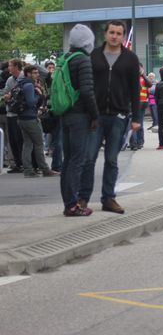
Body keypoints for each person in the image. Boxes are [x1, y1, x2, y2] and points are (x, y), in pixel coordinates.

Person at [80, 20, 140, 215]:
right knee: (88, 159)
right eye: (112, 32)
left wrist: (136, 118)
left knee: (112, 160)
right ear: (105, 34)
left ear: (123, 36)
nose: (115, 36)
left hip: (118, 116)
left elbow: (135, 90)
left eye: (119, 33)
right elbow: (86, 85)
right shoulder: (93, 56)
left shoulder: (130, 58)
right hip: (95, 116)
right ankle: (83, 198)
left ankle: (108, 198)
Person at [60, 24, 99, 216]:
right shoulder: (83, 60)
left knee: (68, 160)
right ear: (87, 42)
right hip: (79, 116)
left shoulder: (65, 59)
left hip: (65, 114)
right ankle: (73, 205)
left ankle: (68, 203)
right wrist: (94, 115)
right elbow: (87, 90)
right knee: (78, 159)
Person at [17, 65, 59, 178]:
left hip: (22, 118)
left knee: (27, 144)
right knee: (39, 144)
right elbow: (31, 102)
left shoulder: (21, 83)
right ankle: (45, 169)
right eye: (35, 73)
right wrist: (39, 95)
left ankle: (28, 170)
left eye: (37, 73)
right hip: (31, 118)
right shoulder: (29, 85)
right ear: (28, 74)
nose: (37, 75)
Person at [2, 59, 25, 173]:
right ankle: (17, 163)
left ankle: (24, 163)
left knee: (20, 139)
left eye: (10, 66)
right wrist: (6, 96)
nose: (8, 68)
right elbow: (5, 92)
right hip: (10, 113)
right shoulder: (10, 79)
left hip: (19, 114)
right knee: (12, 140)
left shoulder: (24, 78)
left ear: (16, 66)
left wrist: (11, 96)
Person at [129, 63, 150, 150]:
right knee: (137, 123)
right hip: (139, 102)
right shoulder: (136, 77)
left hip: (140, 103)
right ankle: (137, 142)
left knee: (135, 123)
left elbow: (149, 85)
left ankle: (137, 143)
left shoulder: (142, 78)